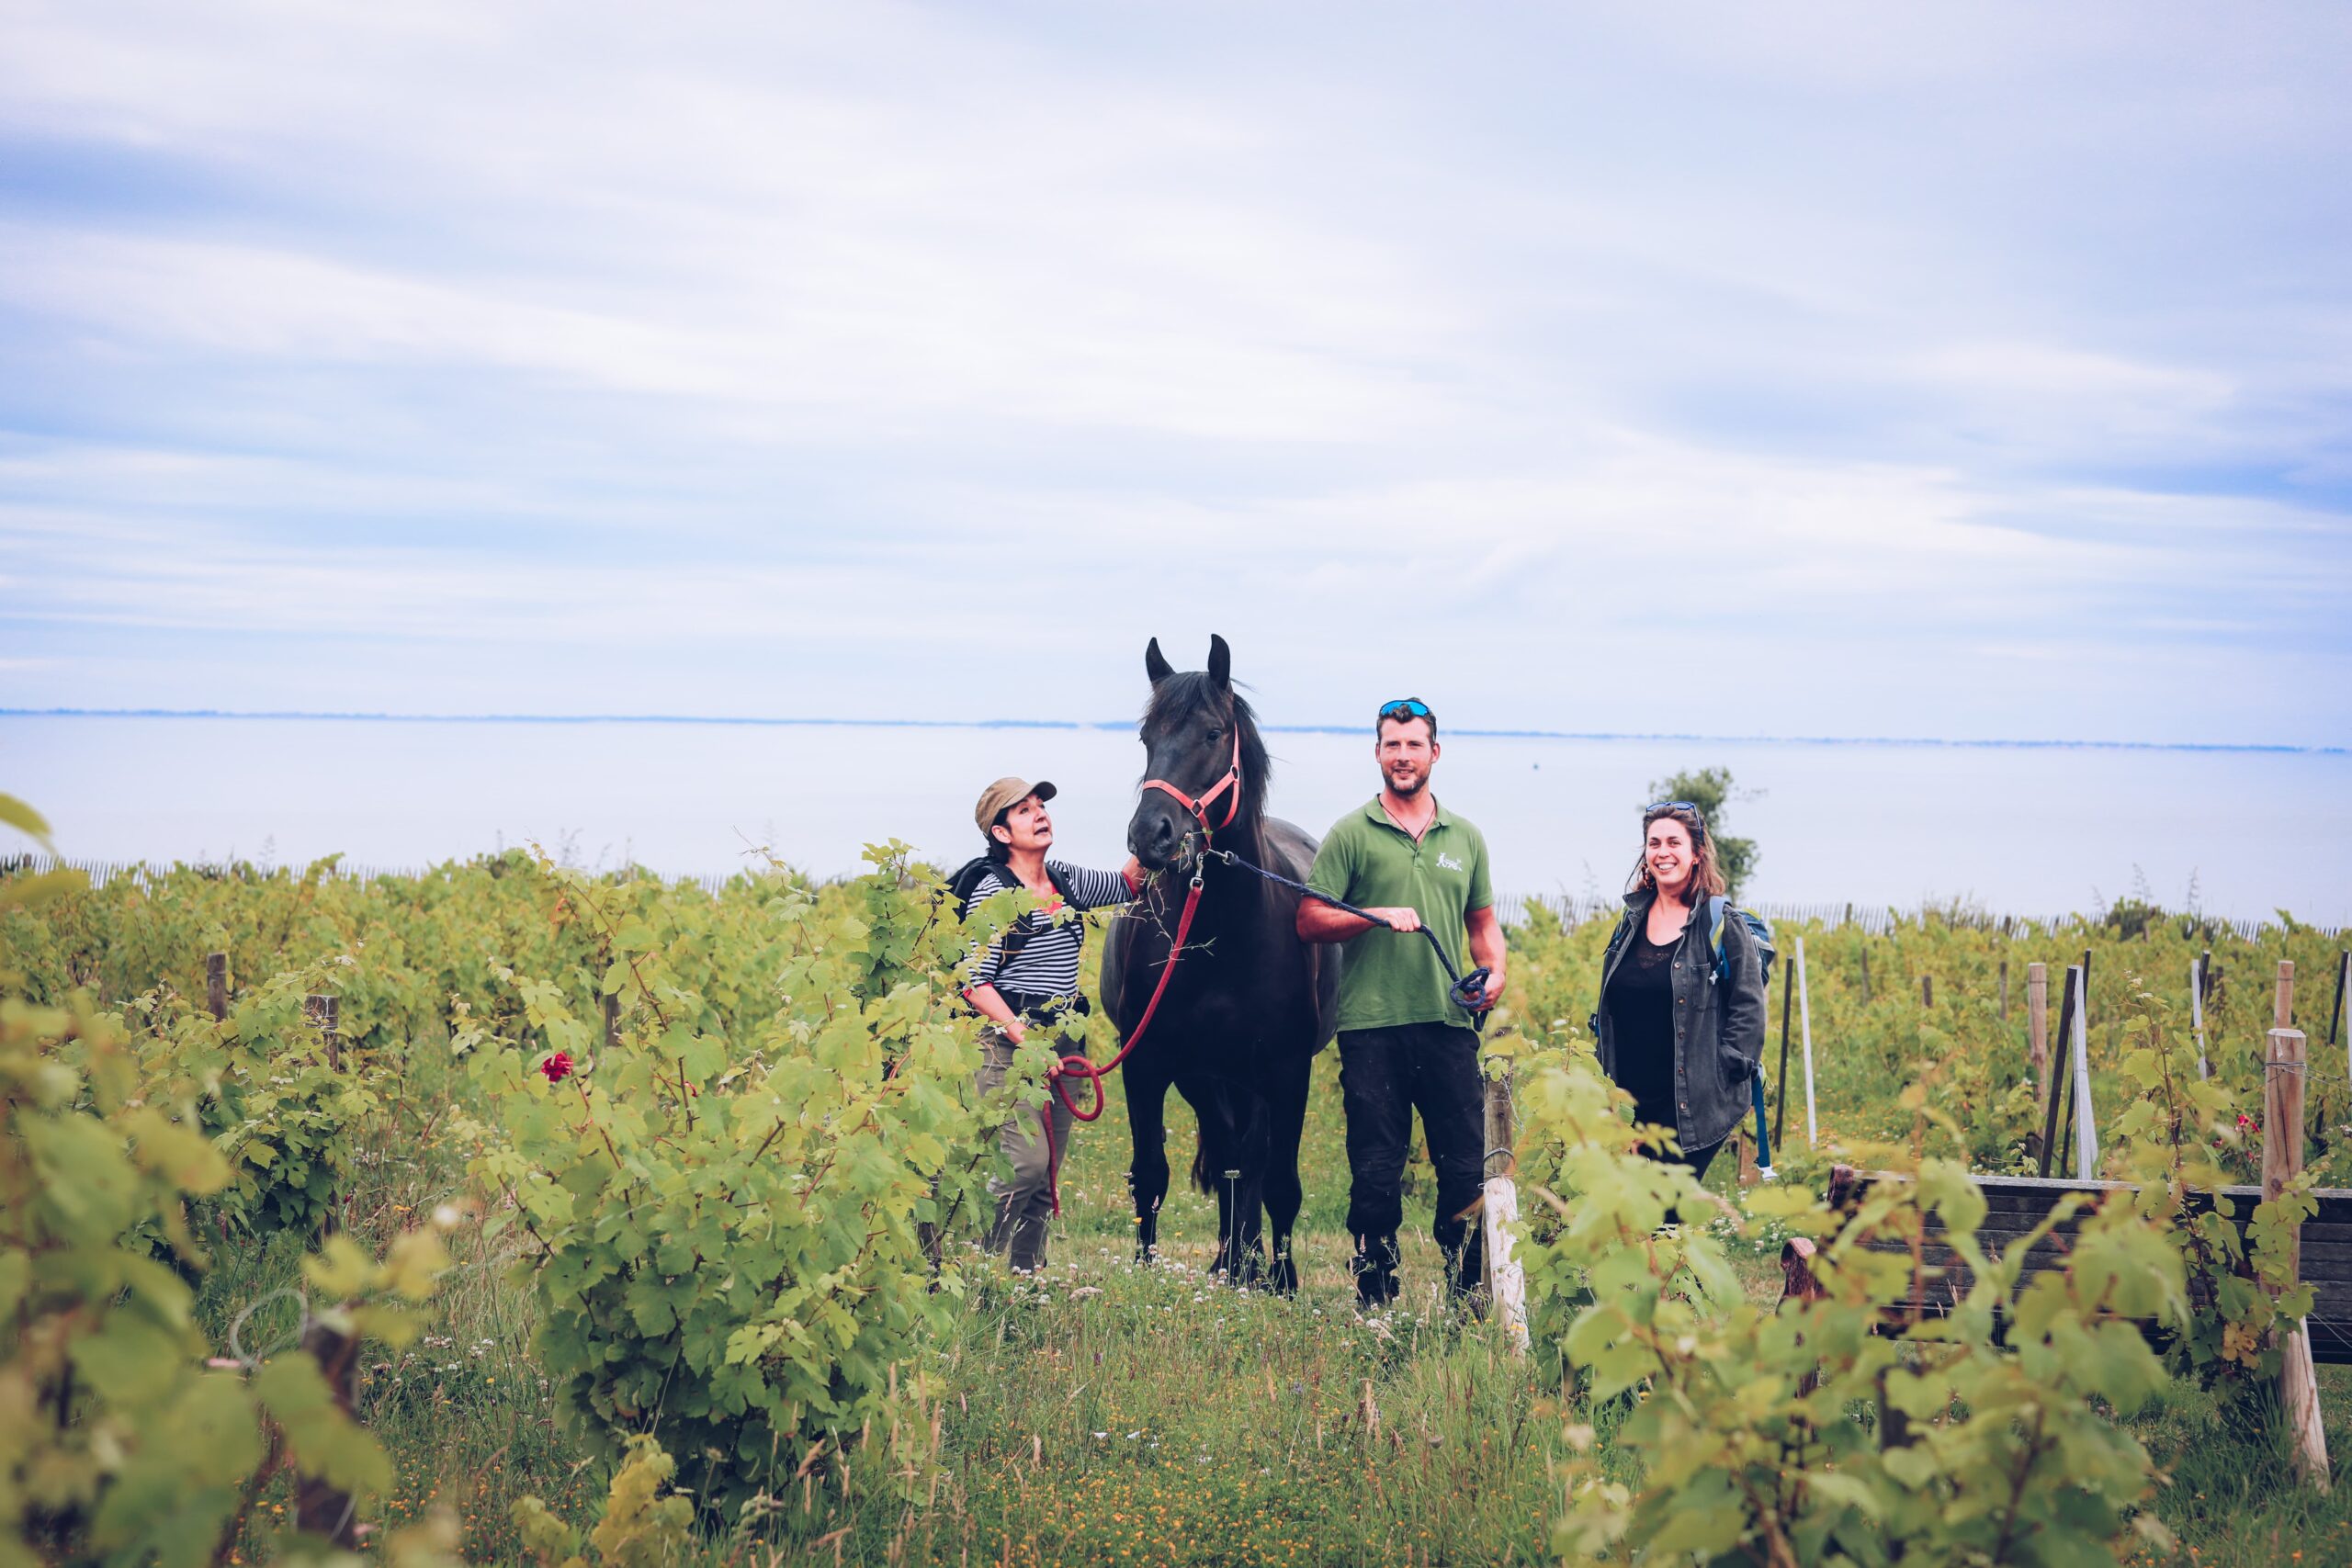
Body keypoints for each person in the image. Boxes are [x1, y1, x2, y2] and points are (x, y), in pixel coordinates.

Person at [1296, 698, 1505, 1308]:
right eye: (1392, 744)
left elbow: (1485, 925)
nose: (1403, 755)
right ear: (1378, 752)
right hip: (1371, 1028)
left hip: (1448, 1025)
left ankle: (1466, 1294)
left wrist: (1493, 975)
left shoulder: (1464, 837)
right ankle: (1377, 1299)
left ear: (1434, 753)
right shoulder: (1350, 833)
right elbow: (1308, 919)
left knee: (1465, 1168)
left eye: (1414, 745)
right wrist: (1371, 915)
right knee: (1376, 1172)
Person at [960, 776, 1145, 1271]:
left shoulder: (1063, 879)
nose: (1040, 814)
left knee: (1046, 1178)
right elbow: (974, 983)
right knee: (1024, 1163)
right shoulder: (992, 891)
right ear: (1001, 833)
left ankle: (1024, 1284)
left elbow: (1126, 884)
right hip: (1006, 1046)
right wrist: (1025, 1040)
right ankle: (968, 1268)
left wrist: (1156, 834)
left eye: (1041, 806)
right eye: (1023, 811)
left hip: (1063, 1042)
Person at [1593, 801, 1766, 1185]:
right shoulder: (1631, 920)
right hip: (1630, 1105)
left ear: (1696, 855)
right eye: (1654, 843)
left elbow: (1749, 1008)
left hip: (1690, 1104)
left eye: (1674, 842)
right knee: (1632, 1219)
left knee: (1665, 1219)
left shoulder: (1721, 922)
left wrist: (1724, 1070)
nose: (1662, 852)